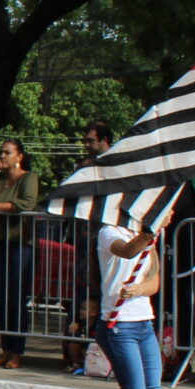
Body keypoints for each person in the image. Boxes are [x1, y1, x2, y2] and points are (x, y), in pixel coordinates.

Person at [60, 216, 180, 389]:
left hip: (144, 325)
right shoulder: (109, 232)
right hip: (117, 327)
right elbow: (126, 251)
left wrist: (138, 289)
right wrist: (148, 234)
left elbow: (154, 281)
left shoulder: (147, 236)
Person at [59, 121, 115, 371]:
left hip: (105, 242)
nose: (87, 145)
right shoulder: (83, 166)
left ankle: (106, 357)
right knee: (80, 303)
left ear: (105, 140)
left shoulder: (116, 165)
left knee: (104, 300)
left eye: (91, 140)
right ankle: (74, 356)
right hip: (83, 243)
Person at [0, 140, 38, 367]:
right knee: (2, 297)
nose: (2, 155)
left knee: (16, 298)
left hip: (20, 243)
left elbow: (27, 203)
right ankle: (5, 349)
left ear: (19, 156)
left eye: (7, 152)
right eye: (1, 152)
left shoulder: (28, 177)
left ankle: (16, 352)